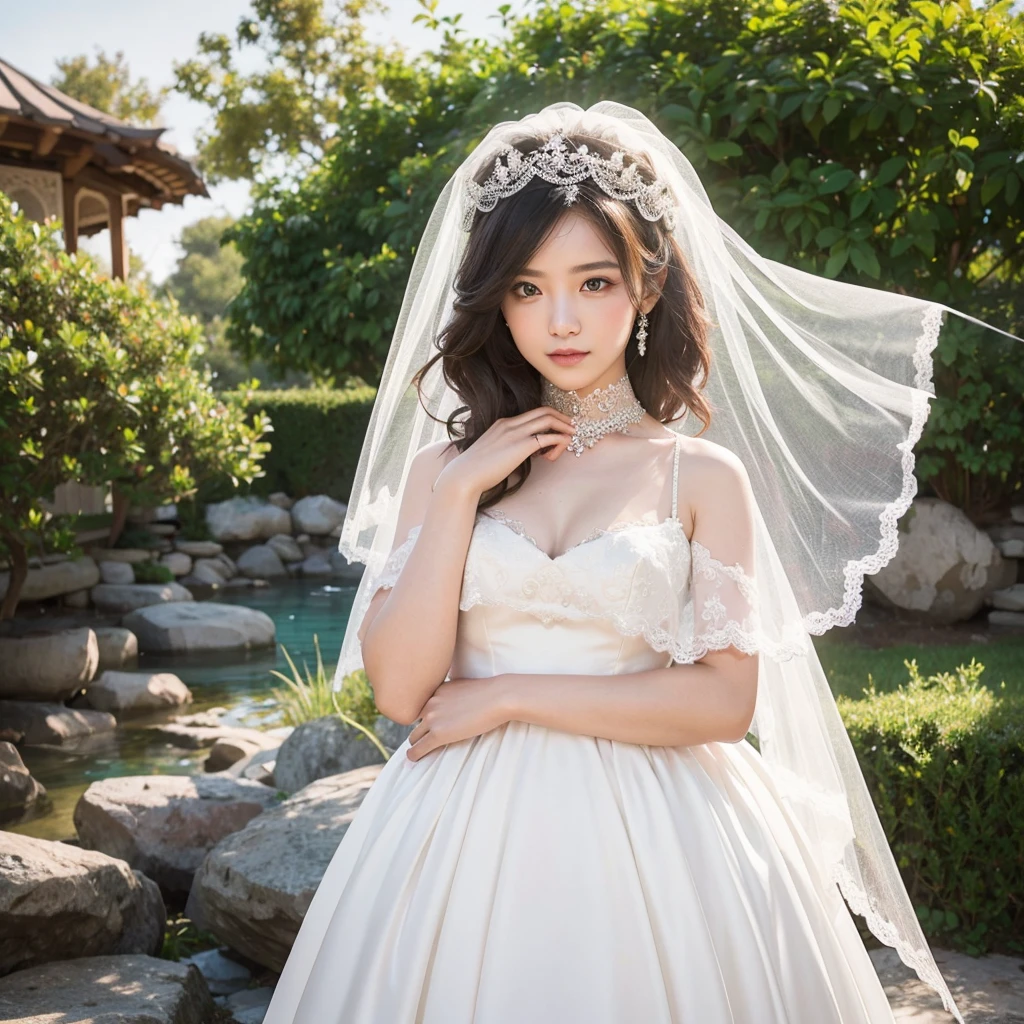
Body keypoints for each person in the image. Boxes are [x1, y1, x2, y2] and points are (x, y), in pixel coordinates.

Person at [259, 101, 1014, 1022]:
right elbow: (399, 692)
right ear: (496, 299)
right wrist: (460, 494)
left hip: (664, 827)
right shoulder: (443, 470)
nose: (561, 319)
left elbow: (724, 704)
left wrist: (509, 695)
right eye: (529, 288)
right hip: (454, 828)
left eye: (594, 282)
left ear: (646, 290)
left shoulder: (697, 474)